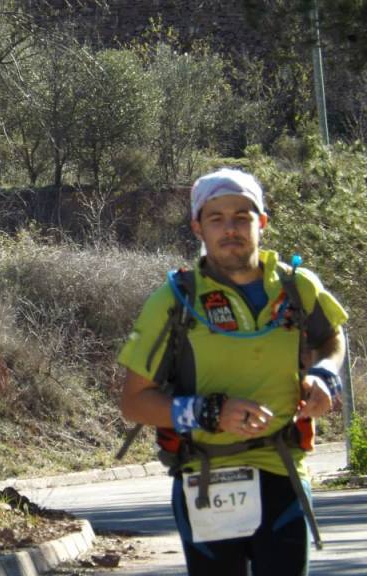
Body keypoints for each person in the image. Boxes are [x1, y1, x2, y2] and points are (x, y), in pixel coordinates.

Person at [117, 168, 347, 576]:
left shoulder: (298, 288)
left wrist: (326, 375)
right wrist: (210, 412)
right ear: (197, 228)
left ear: (261, 222)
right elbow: (134, 402)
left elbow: (331, 337)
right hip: (206, 477)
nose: (230, 229)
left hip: (283, 470)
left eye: (242, 216)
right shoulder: (172, 302)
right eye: (216, 218)